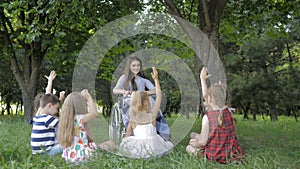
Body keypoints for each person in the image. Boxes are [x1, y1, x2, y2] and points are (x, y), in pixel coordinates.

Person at [186, 67, 243, 164]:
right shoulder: (228, 111)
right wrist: (202, 80)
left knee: (189, 146)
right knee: (193, 134)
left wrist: (196, 143)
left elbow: (203, 143)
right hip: (231, 154)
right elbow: (206, 95)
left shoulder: (208, 117)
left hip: (215, 156)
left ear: (211, 99)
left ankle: (203, 154)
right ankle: (196, 138)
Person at [119, 67, 173, 158]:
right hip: (154, 146)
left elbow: (127, 137)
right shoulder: (152, 115)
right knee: (168, 145)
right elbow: (159, 96)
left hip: (138, 147)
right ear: (147, 103)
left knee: (125, 143)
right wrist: (156, 79)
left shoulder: (133, 119)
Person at [113, 56, 171, 141]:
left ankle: (161, 133)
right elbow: (115, 90)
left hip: (144, 101)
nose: (136, 67)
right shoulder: (124, 78)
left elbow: (155, 90)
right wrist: (124, 92)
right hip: (130, 100)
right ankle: (135, 132)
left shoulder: (143, 80)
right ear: (129, 67)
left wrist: (144, 93)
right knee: (132, 107)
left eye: (138, 65)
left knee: (154, 107)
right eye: (134, 65)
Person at [58, 89, 114, 164]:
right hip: (82, 155)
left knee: (95, 144)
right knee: (111, 143)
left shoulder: (64, 120)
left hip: (69, 156)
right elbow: (94, 113)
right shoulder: (79, 119)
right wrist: (88, 98)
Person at [30, 70, 64, 155]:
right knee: (68, 143)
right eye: (57, 108)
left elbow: (49, 98)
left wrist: (50, 81)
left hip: (37, 151)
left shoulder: (38, 117)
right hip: (45, 152)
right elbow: (64, 123)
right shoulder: (46, 117)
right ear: (48, 106)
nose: (57, 110)